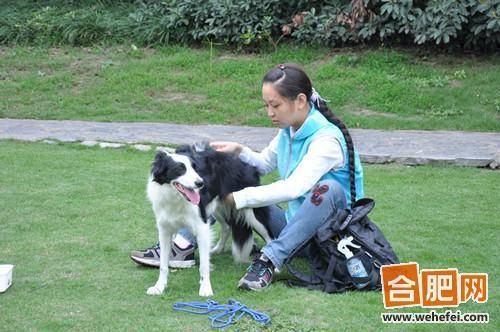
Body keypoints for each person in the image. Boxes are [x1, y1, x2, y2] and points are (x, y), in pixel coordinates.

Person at [132, 63, 364, 291]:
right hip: (292, 226)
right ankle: (181, 244)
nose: (269, 113)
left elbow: (294, 188)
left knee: (328, 189)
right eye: (266, 105)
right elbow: (264, 163)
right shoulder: (289, 130)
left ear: (301, 101)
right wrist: (239, 151)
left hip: (326, 237)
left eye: (275, 105)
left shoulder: (327, 141)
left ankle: (268, 261)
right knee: (215, 178)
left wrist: (239, 197)